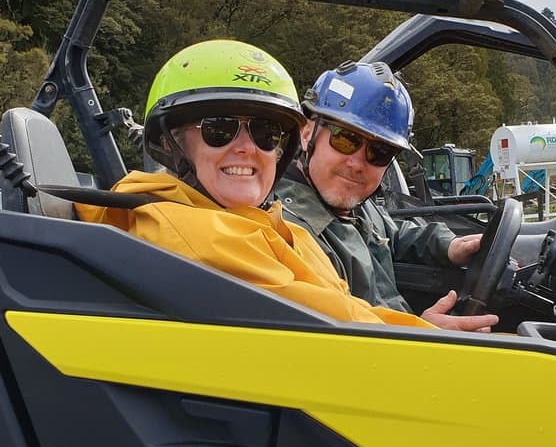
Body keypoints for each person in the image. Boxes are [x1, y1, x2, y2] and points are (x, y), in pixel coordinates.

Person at [76, 41, 434, 328]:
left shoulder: (265, 223)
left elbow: (347, 306)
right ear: (173, 145)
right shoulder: (192, 233)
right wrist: (434, 335)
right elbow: (341, 326)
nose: (247, 148)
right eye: (219, 129)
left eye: (266, 133)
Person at [280, 62, 498, 333]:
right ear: (306, 134)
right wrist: (421, 332)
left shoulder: (355, 206)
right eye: (345, 139)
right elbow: (335, 336)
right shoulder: (286, 231)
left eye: (379, 152)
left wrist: (448, 246)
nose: (357, 164)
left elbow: (394, 235)